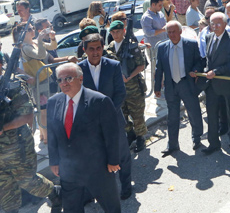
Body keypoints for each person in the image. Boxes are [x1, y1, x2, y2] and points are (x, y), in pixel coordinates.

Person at [48, 63, 121, 213]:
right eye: (60, 80)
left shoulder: (100, 101)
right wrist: (54, 160)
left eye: (68, 78)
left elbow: (112, 134)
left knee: (111, 206)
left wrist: (113, 160)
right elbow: (52, 133)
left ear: (80, 79)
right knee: (71, 208)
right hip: (69, 170)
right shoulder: (54, 102)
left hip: (97, 168)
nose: (64, 83)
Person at [79, 33, 132, 200]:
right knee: (92, 159)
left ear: (103, 48)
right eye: (92, 49)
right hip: (90, 123)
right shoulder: (78, 70)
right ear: (84, 50)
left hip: (113, 120)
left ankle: (126, 186)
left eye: (99, 48)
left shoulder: (113, 66)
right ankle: (90, 192)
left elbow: (120, 93)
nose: (96, 52)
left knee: (122, 155)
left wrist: (107, 114)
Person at [0, 71, 62, 213]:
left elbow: (27, 116)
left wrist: (3, 127)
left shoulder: (12, 85)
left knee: (27, 180)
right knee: (4, 186)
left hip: (17, 144)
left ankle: (55, 193)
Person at [155, 21, 204, 156]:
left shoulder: (191, 45)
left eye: (174, 32)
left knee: (193, 111)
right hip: (171, 86)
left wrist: (196, 70)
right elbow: (158, 69)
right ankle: (172, 144)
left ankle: (197, 138)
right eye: (169, 32)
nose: (172, 35)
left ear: (180, 31)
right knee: (172, 116)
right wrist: (157, 87)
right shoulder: (162, 47)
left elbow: (199, 62)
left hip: (186, 84)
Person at [198, 13, 230, 153]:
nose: (214, 27)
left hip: (227, 83)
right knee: (212, 114)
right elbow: (208, 61)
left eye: (218, 24)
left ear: (225, 24)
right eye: (212, 24)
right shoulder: (209, 37)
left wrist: (216, 71)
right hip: (211, 85)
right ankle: (213, 143)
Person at [105, 20, 148, 153]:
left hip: (133, 87)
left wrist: (129, 77)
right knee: (122, 114)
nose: (115, 34)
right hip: (118, 89)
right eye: (112, 32)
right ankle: (130, 134)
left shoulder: (131, 46)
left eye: (118, 31)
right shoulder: (110, 47)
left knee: (137, 113)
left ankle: (141, 138)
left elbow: (142, 65)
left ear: (123, 31)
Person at [141, 0, 168, 67]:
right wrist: (162, 30)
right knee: (156, 69)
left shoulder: (161, 14)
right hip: (153, 48)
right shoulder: (146, 17)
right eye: (159, 5)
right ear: (153, 5)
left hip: (164, 45)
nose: (161, 7)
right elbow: (148, 32)